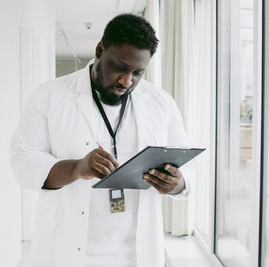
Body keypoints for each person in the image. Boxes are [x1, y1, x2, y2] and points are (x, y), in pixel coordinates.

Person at [10, 13, 194, 267]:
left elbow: (187, 161)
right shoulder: (49, 96)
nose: (126, 81)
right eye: (120, 67)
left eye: (137, 73)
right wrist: (76, 168)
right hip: (68, 253)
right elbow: (22, 162)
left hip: (138, 254)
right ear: (100, 49)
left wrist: (178, 182)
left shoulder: (160, 102)